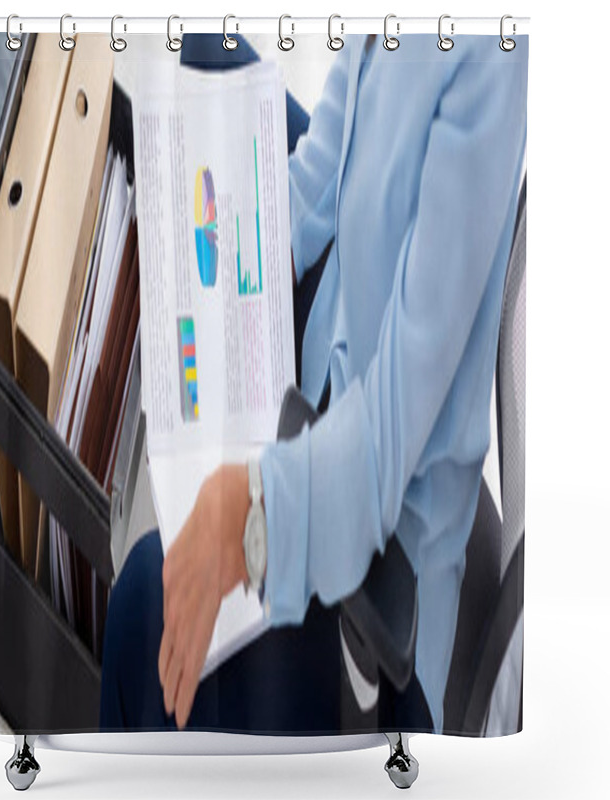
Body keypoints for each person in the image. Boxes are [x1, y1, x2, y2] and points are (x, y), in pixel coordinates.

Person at [100, 31, 528, 736]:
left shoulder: (486, 56)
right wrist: (211, 252)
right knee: (213, 56)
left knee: (147, 596)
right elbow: (315, 184)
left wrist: (248, 512)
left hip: (384, 587)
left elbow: (386, 444)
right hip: (322, 406)